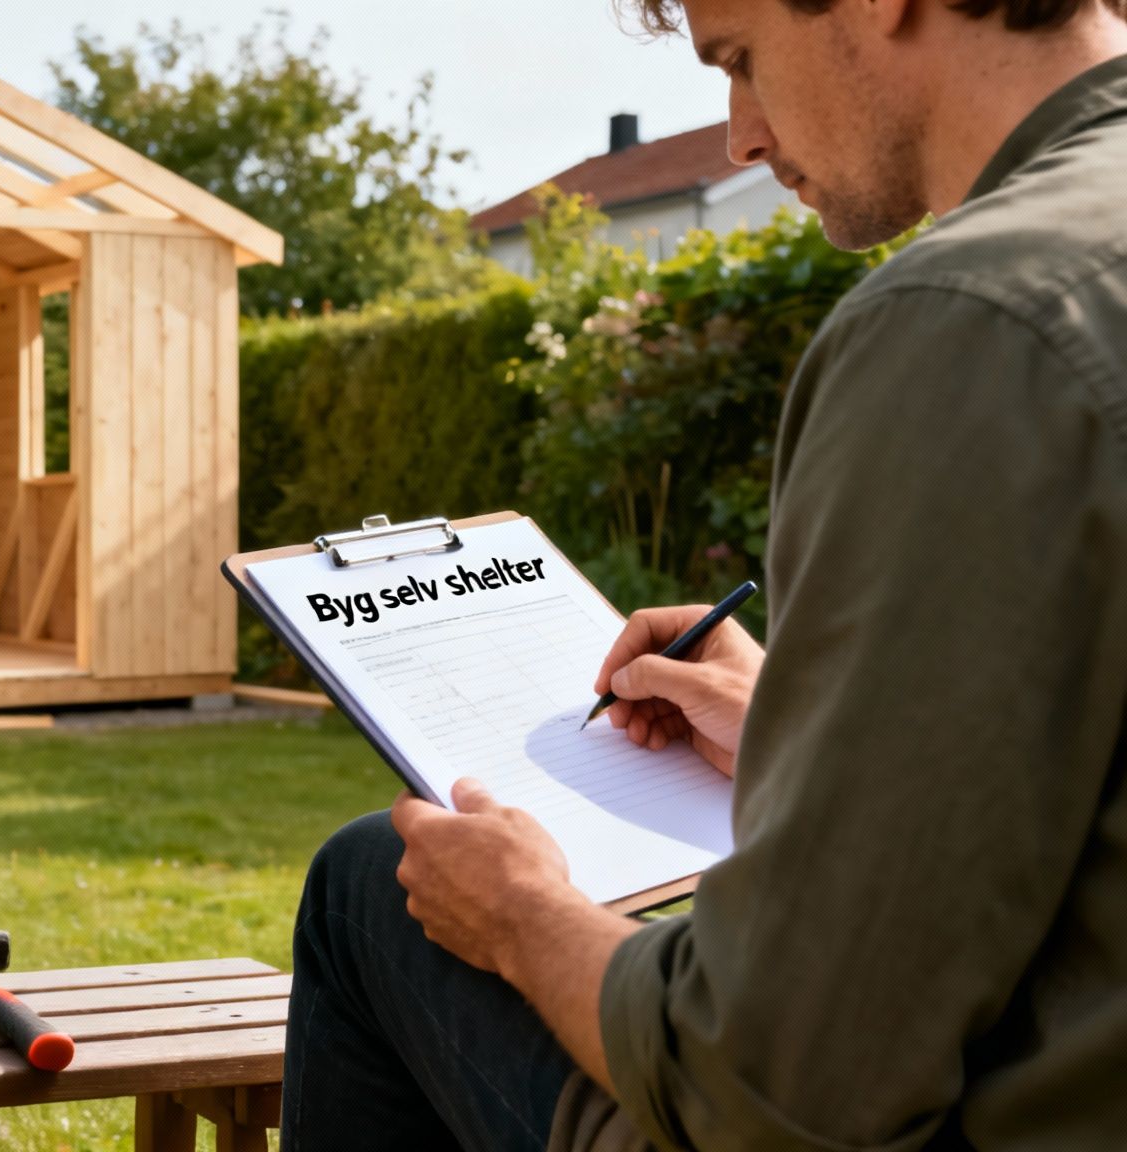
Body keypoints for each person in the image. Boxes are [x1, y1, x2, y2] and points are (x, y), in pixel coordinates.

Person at [281, 0, 1127, 1147]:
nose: (739, 135)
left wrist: (522, 917)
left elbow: (780, 1084)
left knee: (370, 878)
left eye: (740, 59)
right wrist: (797, 731)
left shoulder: (971, 319)